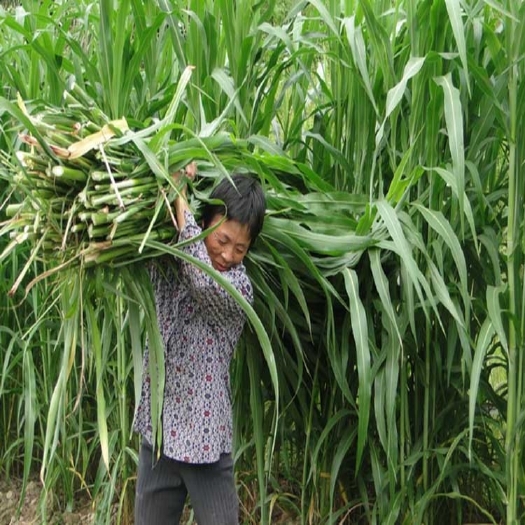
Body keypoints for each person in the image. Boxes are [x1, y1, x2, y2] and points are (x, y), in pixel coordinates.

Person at [134, 163, 266, 525]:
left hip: (204, 441)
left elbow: (201, 277)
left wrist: (180, 194)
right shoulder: (169, 256)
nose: (227, 255)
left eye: (240, 248)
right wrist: (172, 178)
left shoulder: (237, 289)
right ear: (204, 221)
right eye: (221, 240)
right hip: (159, 432)